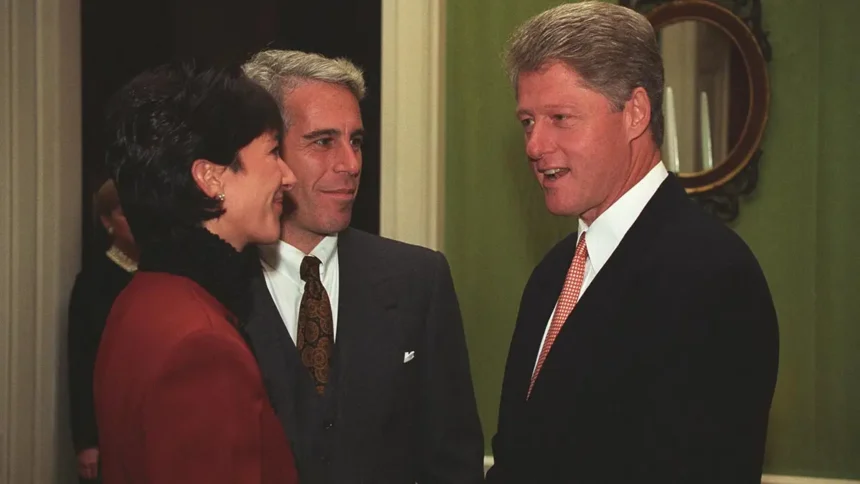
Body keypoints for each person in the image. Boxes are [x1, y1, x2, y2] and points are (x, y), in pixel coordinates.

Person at [485, 3, 779, 483]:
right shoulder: (551, 275)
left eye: (560, 117)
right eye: (527, 122)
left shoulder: (713, 276)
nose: (534, 146)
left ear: (635, 113)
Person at [241, 49, 485, 484]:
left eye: (355, 141)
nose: (351, 165)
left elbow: (454, 460)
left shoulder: (418, 279)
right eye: (323, 142)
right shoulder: (211, 290)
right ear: (269, 151)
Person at [93, 63, 299, 484]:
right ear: (210, 177)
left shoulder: (143, 297)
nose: (288, 176)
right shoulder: (201, 345)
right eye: (273, 152)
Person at [67, 179, 138, 483]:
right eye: (125, 212)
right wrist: (87, 442)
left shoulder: (165, 274)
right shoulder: (92, 282)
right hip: (110, 426)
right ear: (107, 221)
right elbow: (81, 362)